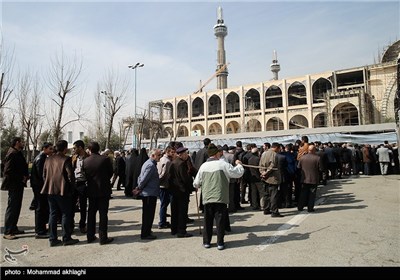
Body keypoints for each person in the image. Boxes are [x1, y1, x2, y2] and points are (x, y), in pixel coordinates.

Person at [193, 143, 244, 250]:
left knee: (207, 221)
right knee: (220, 221)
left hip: (207, 197)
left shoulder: (203, 166)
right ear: (216, 154)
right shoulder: (222, 164)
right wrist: (239, 164)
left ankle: (207, 242)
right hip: (220, 197)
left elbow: (196, 183)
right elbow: (237, 173)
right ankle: (220, 243)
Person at [42, 140, 79, 247]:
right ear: (65, 148)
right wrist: (72, 188)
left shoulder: (48, 159)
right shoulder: (66, 159)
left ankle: (52, 238)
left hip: (50, 190)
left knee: (53, 214)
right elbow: (70, 175)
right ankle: (66, 238)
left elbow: (44, 175)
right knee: (66, 214)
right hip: (63, 190)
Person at [83, 142, 114, 245]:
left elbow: (85, 175)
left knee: (91, 214)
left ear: (89, 149)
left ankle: (90, 236)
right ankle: (103, 237)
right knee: (103, 214)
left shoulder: (86, 161)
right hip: (103, 190)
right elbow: (111, 172)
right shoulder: (105, 159)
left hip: (91, 190)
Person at [1, 137, 29, 240]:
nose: (23, 143)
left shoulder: (17, 152)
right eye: (21, 142)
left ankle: (13, 227)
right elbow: (8, 171)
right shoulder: (12, 153)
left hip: (18, 184)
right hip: (14, 184)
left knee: (16, 207)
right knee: (12, 207)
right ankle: (7, 231)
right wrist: (21, 177)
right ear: (17, 143)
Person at [137, 149, 162, 240]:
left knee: (148, 214)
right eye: (158, 155)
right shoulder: (150, 165)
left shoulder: (148, 163)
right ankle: (145, 233)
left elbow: (140, 177)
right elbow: (143, 179)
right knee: (148, 215)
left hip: (149, 192)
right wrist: (139, 188)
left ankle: (147, 230)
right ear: (153, 156)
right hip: (149, 193)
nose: (160, 157)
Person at [30, 142, 53, 239]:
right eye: (50, 149)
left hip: (40, 187)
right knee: (40, 208)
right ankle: (39, 231)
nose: (51, 151)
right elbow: (41, 175)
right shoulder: (41, 159)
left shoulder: (43, 157)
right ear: (44, 148)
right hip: (39, 187)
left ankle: (42, 228)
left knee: (42, 208)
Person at [297, 144, 322, 212]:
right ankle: (310, 208)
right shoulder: (317, 158)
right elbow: (321, 169)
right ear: (314, 150)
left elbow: (298, 167)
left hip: (304, 179)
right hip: (313, 179)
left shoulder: (302, 158)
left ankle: (300, 206)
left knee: (303, 193)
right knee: (312, 194)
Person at [72, 140, 89, 234]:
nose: (73, 150)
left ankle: (82, 224)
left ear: (80, 148)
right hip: (74, 184)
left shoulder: (87, 158)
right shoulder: (74, 158)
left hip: (83, 184)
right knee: (72, 205)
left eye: (75, 148)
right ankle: (71, 224)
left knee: (83, 206)